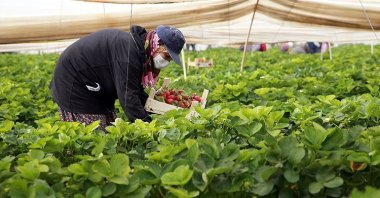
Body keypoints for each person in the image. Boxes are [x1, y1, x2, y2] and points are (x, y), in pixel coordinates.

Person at [49, 25, 185, 130]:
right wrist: (149, 127)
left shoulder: (139, 51)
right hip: (74, 85)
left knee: (109, 130)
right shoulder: (129, 54)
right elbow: (128, 97)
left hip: (96, 87)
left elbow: (134, 90)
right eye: (167, 56)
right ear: (156, 44)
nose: (167, 61)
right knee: (94, 137)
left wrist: (157, 107)